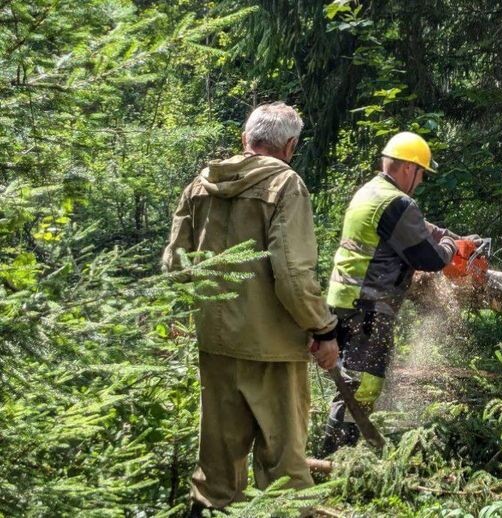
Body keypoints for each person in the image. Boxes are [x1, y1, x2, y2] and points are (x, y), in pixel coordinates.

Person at [162, 102, 340, 513]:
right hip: (272, 349)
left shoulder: (201, 185)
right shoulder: (286, 186)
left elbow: (175, 266)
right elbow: (293, 275)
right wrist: (323, 328)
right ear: (291, 145)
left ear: (246, 138)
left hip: (216, 344)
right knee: (285, 471)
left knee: (216, 473)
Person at [319, 131, 483, 455]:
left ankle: (341, 453)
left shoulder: (372, 192)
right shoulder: (397, 202)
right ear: (408, 168)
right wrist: (454, 247)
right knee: (362, 385)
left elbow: (415, 227)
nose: (420, 181)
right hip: (367, 305)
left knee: (353, 381)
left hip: (346, 300)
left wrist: (445, 233)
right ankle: (337, 458)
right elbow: (428, 259)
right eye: (421, 173)